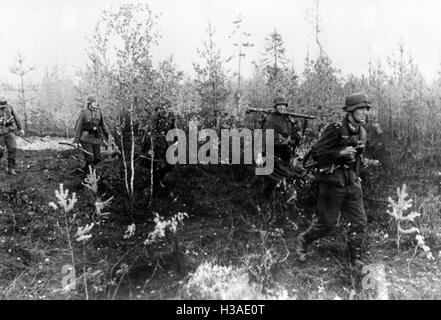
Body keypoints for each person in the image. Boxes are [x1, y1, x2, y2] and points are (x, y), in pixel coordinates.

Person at [295, 93, 371, 269]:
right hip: (332, 182)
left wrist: (357, 175)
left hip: (351, 182)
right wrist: (340, 153)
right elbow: (317, 153)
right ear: (351, 110)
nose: (365, 112)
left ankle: (355, 260)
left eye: (366, 109)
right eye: (362, 109)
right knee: (326, 224)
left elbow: (359, 158)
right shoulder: (335, 129)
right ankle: (303, 241)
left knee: (359, 222)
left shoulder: (362, 132)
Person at [255, 95, 302, 199]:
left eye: (283, 105)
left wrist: (295, 124)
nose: (281, 107)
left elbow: (295, 136)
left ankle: (278, 198)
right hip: (272, 152)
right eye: (279, 105)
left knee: (281, 179)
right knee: (271, 179)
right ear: (275, 107)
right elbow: (264, 137)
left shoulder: (287, 119)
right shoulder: (271, 119)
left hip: (284, 152)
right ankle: (266, 201)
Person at [73, 94, 113, 172]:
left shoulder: (99, 111)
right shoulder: (84, 112)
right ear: (89, 103)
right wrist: (76, 141)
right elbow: (78, 127)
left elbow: (103, 125)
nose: (95, 103)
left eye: (96, 101)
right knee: (90, 157)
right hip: (85, 139)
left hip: (96, 139)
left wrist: (109, 136)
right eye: (93, 102)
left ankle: (88, 170)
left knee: (98, 158)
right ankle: (88, 174)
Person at [0, 95, 25, 175]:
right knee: (0, 151)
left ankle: (11, 169)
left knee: (13, 149)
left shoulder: (10, 107)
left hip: (9, 131)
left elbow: (16, 118)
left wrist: (20, 129)